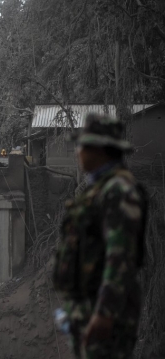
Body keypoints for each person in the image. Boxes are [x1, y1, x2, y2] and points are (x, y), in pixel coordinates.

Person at [52, 113, 148, 359]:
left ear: (100, 150)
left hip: (106, 317)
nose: (78, 151)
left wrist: (104, 313)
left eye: (83, 146)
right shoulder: (97, 189)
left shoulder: (119, 190)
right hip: (87, 310)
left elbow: (121, 256)